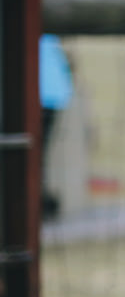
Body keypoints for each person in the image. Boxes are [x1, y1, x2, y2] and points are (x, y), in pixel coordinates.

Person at [39, 34, 74, 219]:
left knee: (35, 155)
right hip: (53, 92)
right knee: (38, 154)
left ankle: (39, 200)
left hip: (43, 92)